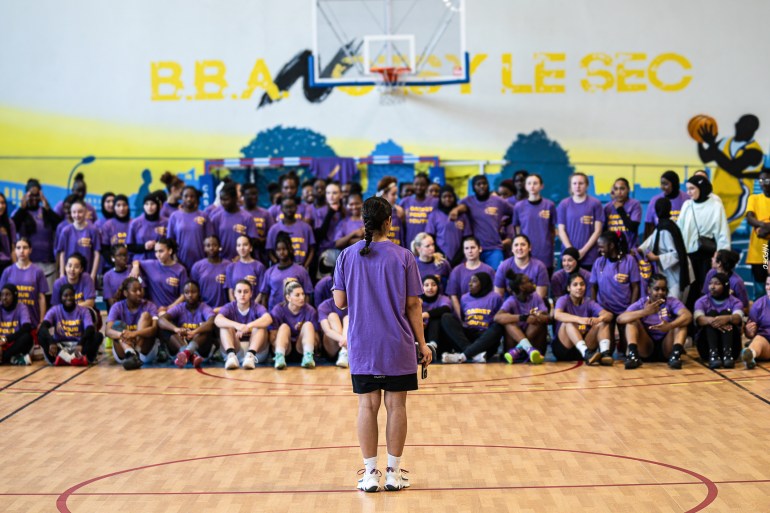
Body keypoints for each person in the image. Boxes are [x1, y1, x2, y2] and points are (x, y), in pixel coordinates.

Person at [333, 196, 432, 492]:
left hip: (363, 344)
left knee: (367, 405)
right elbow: (414, 305)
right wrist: (423, 345)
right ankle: (393, 473)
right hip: (396, 344)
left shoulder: (347, 256)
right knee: (396, 405)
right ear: (388, 222)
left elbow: (339, 302)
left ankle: (370, 474)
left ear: (363, 222)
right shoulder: (404, 256)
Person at [677, 175, 731, 310]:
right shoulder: (687, 205)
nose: (688, 192)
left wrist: (721, 258)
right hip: (689, 254)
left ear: (701, 188)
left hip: (708, 255)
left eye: (692, 189)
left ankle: (707, 318)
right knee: (690, 289)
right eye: (687, 189)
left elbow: (722, 232)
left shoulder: (715, 205)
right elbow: (680, 229)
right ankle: (691, 321)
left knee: (707, 287)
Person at [618, 274, 693, 370]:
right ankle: (633, 356)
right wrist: (645, 312)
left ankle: (675, 356)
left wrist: (670, 326)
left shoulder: (672, 302)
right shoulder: (642, 302)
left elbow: (688, 316)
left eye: (663, 289)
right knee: (632, 321)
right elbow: (620, 319)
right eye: (656, 289)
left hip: (666, 347)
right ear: (649, 289)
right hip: (646, 346)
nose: (660, 292)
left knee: (681, 322)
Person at [590, 231, 641, 357]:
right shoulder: (598, 262)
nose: (599, 249)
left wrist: (631, 309)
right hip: (606, 309)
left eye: (602, 246)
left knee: (625, 349)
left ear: (611, 245)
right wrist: (596, 307)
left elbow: (635, 287)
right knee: (609, 349)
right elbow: (593, 286)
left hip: (624, 309)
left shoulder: (629, 260)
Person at [450, 175, 513, 269]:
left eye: (484, 183)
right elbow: (461, 207)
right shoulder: (468, 201)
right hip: (475, 249)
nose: (482, 186)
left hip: (494, 248)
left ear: (488, 185)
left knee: (496, 277)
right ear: (473, 188)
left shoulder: (499, 201)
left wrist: (506, 221)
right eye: (478, 184)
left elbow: (514, 212)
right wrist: (456, 211)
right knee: (477, 279)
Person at [440, 272, 504, 364]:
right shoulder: (464, 298)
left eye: (474, 281)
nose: (470, 284)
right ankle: (473, 355)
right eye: (470, 281)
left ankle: (463, 356)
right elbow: (463, 318)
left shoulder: (495, 297)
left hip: (485, 339)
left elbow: (500, 317)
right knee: (446, 317)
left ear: (483, 283)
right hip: (467, 338)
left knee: (498, 326)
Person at [11, 179, 61, 293]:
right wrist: (22, 208)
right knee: (30, 295)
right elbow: (13, 226)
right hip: (28, 262)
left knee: (48, 296)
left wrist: (47, 207)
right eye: (31, 195)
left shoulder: (46, 212)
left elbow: (60, 224)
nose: (33, 199)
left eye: (36, 195)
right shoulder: (19, 213)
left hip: (48, 263)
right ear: (26, 195)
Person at [638, 197, 692, 301]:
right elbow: (650, 241)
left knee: (674, 302)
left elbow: (676, 254)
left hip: (676, 273)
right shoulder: (664, 225)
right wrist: (638, 250)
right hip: (669, 272)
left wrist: (656, 258)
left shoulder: (666, 228)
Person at [552, 273, 612, 364]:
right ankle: (586, 353)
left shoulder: (589, 302)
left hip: (584, 345)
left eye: (582, 284)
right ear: (569, 288)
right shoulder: (563, 299)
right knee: (568, 322)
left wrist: (599, 319)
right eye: (575, 285)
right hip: (565, 348)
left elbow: (609, 315)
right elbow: (557, 315)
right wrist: (579, 319)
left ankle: (605, 354)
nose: (579, 287)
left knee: (603, 322)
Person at [215, 279, 273, 370]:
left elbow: (268, 319)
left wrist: (248, 326)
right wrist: (237, 325)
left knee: (259, 326)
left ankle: (250, 356)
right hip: (236, 348)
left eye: (246, 292)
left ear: (251, 294)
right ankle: (231, 355)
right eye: (239, 291)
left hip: (256, 352)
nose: (242, 294)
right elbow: (217, 320)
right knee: (224, 326)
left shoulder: (257, 307)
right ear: (234, 293)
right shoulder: (229, 307)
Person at [158, 280, 216, 369]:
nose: (190, 295)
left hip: (200, 350)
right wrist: (176, 329)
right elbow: (161, 319)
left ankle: (187, 352)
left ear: (199, 293)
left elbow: (212, 322)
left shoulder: (204, 307)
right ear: (183, 295)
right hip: (180, 344)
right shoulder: (179, 307)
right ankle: (189, 356)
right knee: (165, 327)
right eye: (187, 292)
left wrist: (195, 332)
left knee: (207, 328)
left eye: (193, 292)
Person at [105, 277, 159, 371]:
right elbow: (107, 331)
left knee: (146, 316)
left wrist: (134, 334)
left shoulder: (150, 305)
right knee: (117, 325)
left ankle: (135, 353)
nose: (139, 293)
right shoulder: (117, 306)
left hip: (144, 352)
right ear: (126, 293)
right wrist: (122, 335)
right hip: (124, 353)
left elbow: (154, 329)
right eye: (134, 290)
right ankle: (130, 353)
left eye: (140, 289)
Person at [693, 273, 744, 369]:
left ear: (725, 286)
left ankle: (727, 353)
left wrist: (727, 319)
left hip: (733, 347)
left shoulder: (735, 302)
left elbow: (738, 318)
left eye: (717, 284)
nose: (712, 287)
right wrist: (714, 321)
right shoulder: (701, 301)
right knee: (710, 314)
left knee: (726, 314)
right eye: (710, 283)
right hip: (706, 347)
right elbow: (699, 319)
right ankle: (713, 353)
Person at [39, 284, 98, 366]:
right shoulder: (55, 310)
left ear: (74, 296)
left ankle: (68, 359)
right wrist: (51, 341)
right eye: (65, 296)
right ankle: (71, 359)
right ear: (61, 297)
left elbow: (90, 328)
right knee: (41, 335)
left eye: (71, 295)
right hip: (60, 346)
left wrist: (81, 343)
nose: (69, 298)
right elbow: (43, 327)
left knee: (97, 336)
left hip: (78, 345)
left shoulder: (83, 310)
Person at [497, 272, 549, 364]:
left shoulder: (536, 297)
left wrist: (540, 316)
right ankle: (528, 348)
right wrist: (522, 318)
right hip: (511, 349)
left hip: (533, 350)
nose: (532, 282)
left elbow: (548, 318)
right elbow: (497, 317)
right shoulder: (511, 301)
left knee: (536, 320)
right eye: (529, 281)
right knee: (508, 322)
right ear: (522, 287)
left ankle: (520, 349)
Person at [511, 174, 557, 273]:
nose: (532, 186)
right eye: (529, 183)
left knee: (545, 282)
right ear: (525, 186)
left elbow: (553, 229)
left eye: (535, 183)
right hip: (525, 252)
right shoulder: (519, 206)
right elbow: (517, 230)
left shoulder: (549, 205)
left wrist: (549, 243)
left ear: (541, 186)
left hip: (545, 251)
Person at [557, 173, 604, 270]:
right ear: (571, 186)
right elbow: (561, 231)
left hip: (589, 256)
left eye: (581, 183)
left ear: (586, 185)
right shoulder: (564, 204)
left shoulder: (595, 204)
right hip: (568, 257)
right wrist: (571, 251)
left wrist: (583, 251)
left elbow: (598, 231)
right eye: (574, 183)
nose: (577, 186)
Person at [270, 280, 319, 369]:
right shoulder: (278, 310)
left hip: (302, 349)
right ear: (288, 298)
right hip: (285, 349)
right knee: (284, 327)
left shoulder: (310, 311)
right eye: (297, 295)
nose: (302, 298)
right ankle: (279, 357)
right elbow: (272, 337)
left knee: (308, 325)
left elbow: (317, 340)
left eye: (303, 294)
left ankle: (308, 357)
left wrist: (304, 333)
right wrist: (280, 344)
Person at [0, 238, 48, 329]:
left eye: (25, 247)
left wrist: (42, 321)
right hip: (11, 323)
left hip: (33, 319)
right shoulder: (7, 271)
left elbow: (41, 298)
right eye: (18, 248)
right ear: (14, 251)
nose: (22, 251)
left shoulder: (38, 271)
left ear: (30, 250)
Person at [258, 233, 313, 310]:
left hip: (295, 313)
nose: (281, 252)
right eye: (278, 250)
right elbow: (264, 296)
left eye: (284, 249)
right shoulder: (269, 272)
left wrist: (304, 312)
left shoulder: (301, 271)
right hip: (273, 314)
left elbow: (307, 295)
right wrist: (265, 314)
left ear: (290, 249)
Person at [130, 237, 187, 311]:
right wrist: (135, 267)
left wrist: (168, 308)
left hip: (173, 310)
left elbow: (183, 295)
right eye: (156, 251)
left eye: (161, 251)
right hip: (153, 310)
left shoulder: (180, 270)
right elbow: (136, 261)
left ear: (170, 251)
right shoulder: (151, 264)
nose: (157, 255)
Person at [166, 186, 215, 271]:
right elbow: (170, 241)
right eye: (186, 196)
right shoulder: (174, 216)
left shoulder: (204, 216)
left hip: (201, 262)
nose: (189, 199)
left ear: (196, 198)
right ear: (182, 197)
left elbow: (211, 240)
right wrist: (174, 258)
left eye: (192, 196)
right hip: (180, 262)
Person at [446, 236, 495, 318]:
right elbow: (453, 296)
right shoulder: (456, 271)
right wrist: (461, 318)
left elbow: (493, 295)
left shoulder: (489, 270)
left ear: (480, 249)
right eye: (466, 248)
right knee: (446, 317)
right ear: (464, 251)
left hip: (484, 313)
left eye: (472, 247)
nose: (470, 251)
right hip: (464, 313)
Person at [55, 200, 101, 281]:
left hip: (87, 274)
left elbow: (97, 254)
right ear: (71, 213)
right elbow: (62, 253)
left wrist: (93, 275)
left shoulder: (93, 230)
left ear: (85, 212)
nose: (77, 215)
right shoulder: (65, 231)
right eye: (74, 212)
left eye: (80, 212)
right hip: (69, 275)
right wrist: (62, 273)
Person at [425, 185, 470, 266]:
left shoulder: (463, 216)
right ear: (440, 198)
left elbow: (467, 237)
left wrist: (459, 256)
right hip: (440, 258)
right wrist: (441, 255)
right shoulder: (434, 215)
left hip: (460, 259)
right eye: (444, 196)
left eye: (450, 196)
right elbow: (431, 237)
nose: (447, 199)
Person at [210, 183, 258, 261]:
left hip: (243, 261)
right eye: (221, 199)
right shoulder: (216, 218)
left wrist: (242, 255)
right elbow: (213, 241)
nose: (223, 202)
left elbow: (253, 241)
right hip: (222, 261)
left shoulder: (247, 217)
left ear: (235, 198)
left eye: (226, 199)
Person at [494, 234, 550, 300]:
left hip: (533, 306)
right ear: (512, 249)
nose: (519, 248)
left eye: (523, 245)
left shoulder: (540, 267)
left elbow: (540, 296)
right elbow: (498, 295)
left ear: (529, 247)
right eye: (516, 245)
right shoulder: (503, 266)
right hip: (509, 306)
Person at [266, 196, 315, 268]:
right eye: (286, 207)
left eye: (291, 207)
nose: (289, 209)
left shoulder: (306, 227)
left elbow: (312, 250)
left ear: (296, 208)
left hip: (301, 266)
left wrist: (305, 266)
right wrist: (278, 264)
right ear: (281, 209)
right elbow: (269, 251)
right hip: (281, 267)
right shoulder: (274, 229)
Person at [745, 168, 770, 297]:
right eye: (760, 180)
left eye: (766, 179)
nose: (763, 183)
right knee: (760, 288)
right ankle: (760, 314)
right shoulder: (754, 198)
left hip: (766, 249)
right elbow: (750, 218)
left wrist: (765, 228)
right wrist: (764, 225)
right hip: (759, 251)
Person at [643, 170, 689, 240]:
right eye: (661, 184)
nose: (662, 187)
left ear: (674, 184)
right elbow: (648, 227)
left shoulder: (687, 200)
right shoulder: (655, 200)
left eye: (666, 184)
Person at [701, 249, 750, 314]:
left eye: (714, 257)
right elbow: (704, 296)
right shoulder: (710, 273)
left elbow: (745, 308)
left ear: (719, 263)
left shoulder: (737, 282)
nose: (711, 259)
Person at [190, 235, 230, 310]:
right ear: (204, 248)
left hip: (224, 308)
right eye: (208, 245)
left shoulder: (229, 265)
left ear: (219, 247)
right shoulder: (197, 266)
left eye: (214, 245)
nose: (211, 248)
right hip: (203, 309)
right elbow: (193, 290)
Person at [399, 173, 439, 249]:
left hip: (428, 246)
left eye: (422, 185)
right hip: (409, 244)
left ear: (427, 186)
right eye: (416, 184)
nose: (419, 187)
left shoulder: (435, 202)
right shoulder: (405, 201)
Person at [127, 193, 168, 261]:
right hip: (140, 262)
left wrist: (159, 245)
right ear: (143, 206)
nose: (149, 207)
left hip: (161, 262)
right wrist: (144, 246)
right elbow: (130, 246)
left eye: (152, 204)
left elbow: (172, 243)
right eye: (146, 204)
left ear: (158, 206)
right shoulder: (135, 223)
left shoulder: (166, 222)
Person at [0, 284, 34, 365]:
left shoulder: (21, 307)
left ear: (14, 296)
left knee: (27, 337)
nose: (4, 298)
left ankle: (4, 358)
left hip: (13, 343)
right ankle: (12, 359)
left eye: (8, 294)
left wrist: (6, 339)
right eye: (2, 295)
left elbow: (27, 327)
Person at [604, 178, 642, 249]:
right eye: (616, 189)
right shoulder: (607, 207)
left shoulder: (635, 204)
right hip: (612, 250)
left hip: (630, 250)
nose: (619, 192)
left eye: (622, 189)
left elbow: (633, 227)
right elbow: (603, 230)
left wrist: (620, 209)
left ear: (628, 189)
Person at [742, 276, 770, 369]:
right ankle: (750, 355)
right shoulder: (758, 304)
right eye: (767, 284)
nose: (768, 288)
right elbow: (750, 334)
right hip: (766, 343)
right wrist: (749, 332)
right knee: (758, 339)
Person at [226, 235, 266, 302]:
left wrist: (253, 308)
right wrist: (237, 308)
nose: (242, 248)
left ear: (251, 248)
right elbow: (230, 291)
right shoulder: (231, 267)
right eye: (239, 245)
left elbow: (261, 292)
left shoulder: (259, 266)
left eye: (245, 245)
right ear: (236, 248)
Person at [420, 274, 452, 357]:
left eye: (433, 285)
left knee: (436, 317)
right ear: (421, 287)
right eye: (426, 285)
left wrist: (426, 314)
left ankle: (433, 344)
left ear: (438, 286)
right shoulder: (417, 300)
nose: (430, 288)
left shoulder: (443, 298)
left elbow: (446, 309)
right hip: (422, 335)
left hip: (440, 337)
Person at [241, 182, 274, 262]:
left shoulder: (265, 214)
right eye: (249, 194)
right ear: (243, 196)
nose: (253, 197)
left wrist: (261, 240)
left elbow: (272, 235)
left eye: (255, 194)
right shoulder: (238, 213)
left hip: (261, 255)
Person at [313, 181, 345, 256]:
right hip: (325, 250)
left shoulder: (346, 211)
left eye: (334, 193)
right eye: (328, 193)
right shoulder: (320, 212)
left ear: (341, 195)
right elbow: (320, 235)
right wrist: (330, 213)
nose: (331, 196)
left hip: (344, 248)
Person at [318, 296, 349, 368]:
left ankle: (344, 352)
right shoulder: (324, 305)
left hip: (350, 347)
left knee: (347, 318)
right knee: (332, 316)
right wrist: (344, 340)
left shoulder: (353, 303)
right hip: (334, 345)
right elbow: (327, 330)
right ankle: (344, 350)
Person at [375, 176, 406, 247]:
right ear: (384, 195)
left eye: (396, 194)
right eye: (393, 194)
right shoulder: (374, 212)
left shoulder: (399, 211)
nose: (396, 197)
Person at [100, 194, 131, 262]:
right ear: (114, 207)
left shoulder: (134, 223)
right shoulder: (107, 225)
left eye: (124, 205)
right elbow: (104, 249)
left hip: (131, 264)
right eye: (118, 205)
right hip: (112, 265)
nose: (121, 208)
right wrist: (115, 262)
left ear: (128, 206)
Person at [102, 244, 132, 310]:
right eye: (120, 255)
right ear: (113, 258)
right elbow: (111, 303)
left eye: (125, 255)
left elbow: (142, 289)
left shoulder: (133, 269)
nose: (123, 258)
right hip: (118, 310)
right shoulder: (107, 276)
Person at [0, 193, 17, 274]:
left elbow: (13, 249)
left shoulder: (10, 223)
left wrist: (15, 269)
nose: (1, 206)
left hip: (6, 266)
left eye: (3, 203)